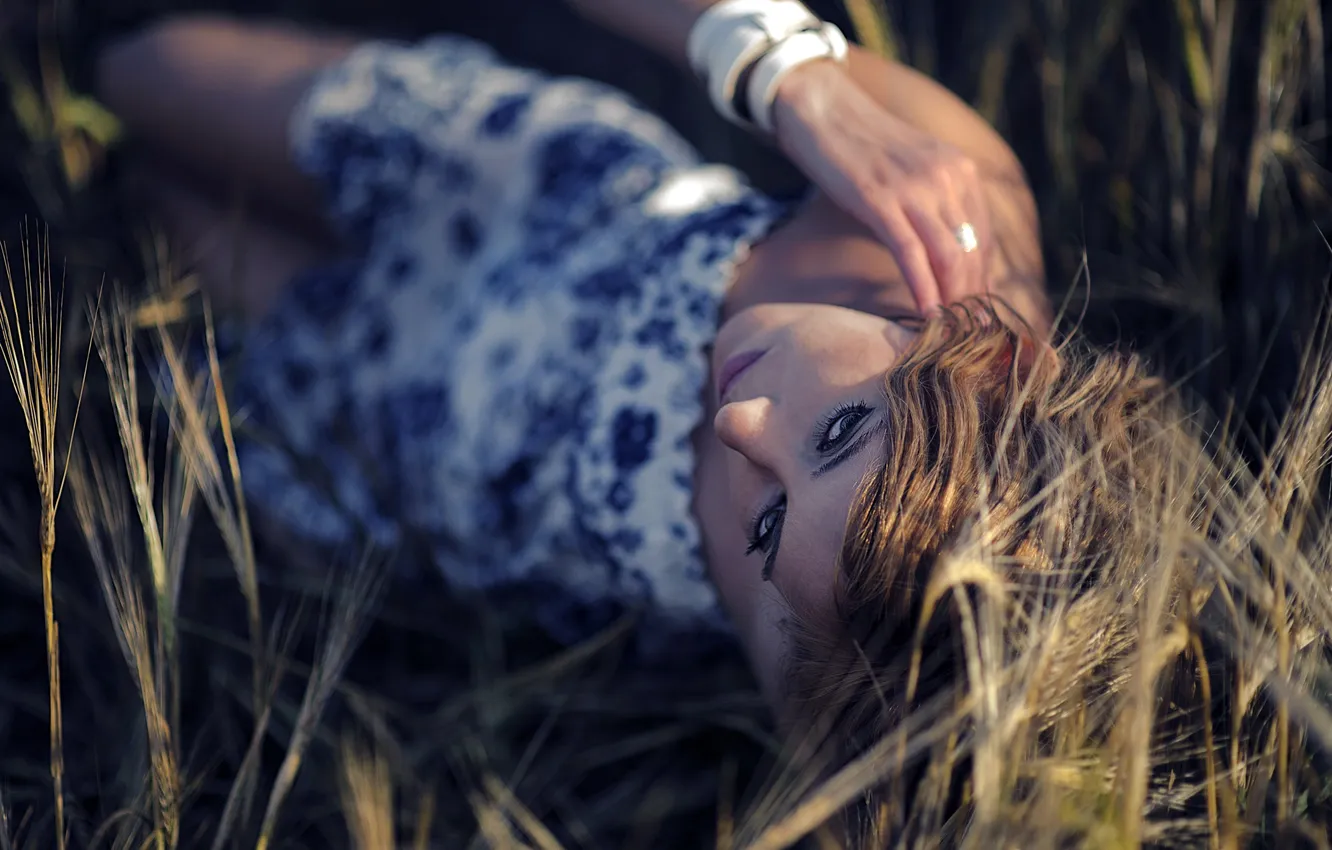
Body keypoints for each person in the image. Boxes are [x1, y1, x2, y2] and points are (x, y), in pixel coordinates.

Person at [92, 3, 1332, 844]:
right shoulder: (950, 205)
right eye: (836, 433)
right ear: (990, 359)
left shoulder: (841, 645)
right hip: (504, 189)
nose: (742, 425)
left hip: (427, 428)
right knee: (134, 60)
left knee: (133, 211)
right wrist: (786, 71)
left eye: (768, 522)